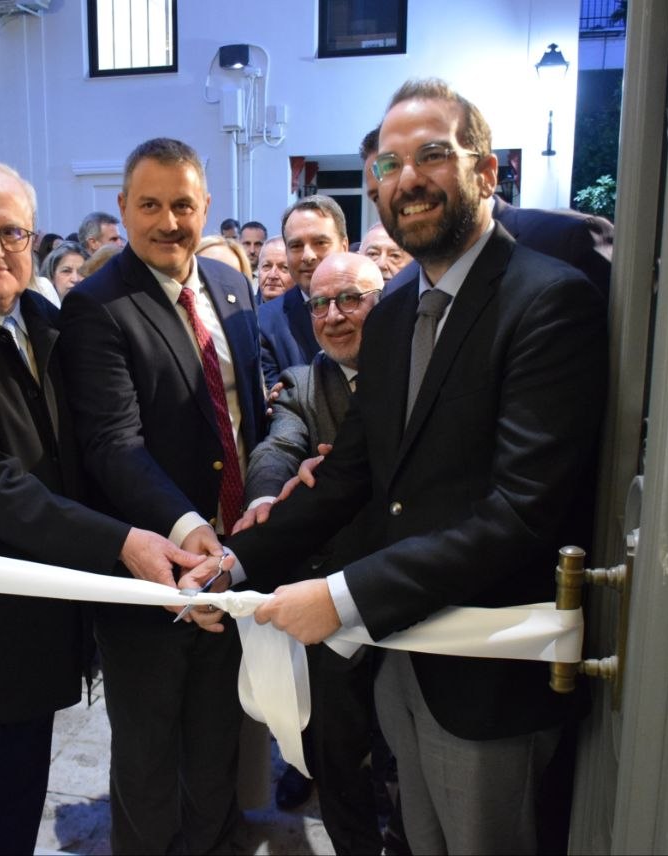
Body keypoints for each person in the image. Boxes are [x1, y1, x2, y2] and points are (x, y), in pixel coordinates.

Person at [190, 78, 609, 854]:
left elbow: (520, 513)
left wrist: (340, 598)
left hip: (488, 676)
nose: (407, 178)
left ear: (487, 171)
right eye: (388, 164)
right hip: (401, 661)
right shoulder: (394, 314)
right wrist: (235, 564)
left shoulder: (548, 302)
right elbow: (351, 473)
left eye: (432, 154)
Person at [0, 161, 201, 855]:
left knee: (15, 821)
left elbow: (99, 441)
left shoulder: (42, 319)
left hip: (37, 638)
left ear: (34, 239)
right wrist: (123, 542)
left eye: (12, 232)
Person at [59, 138, 266, 855]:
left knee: (218, 741)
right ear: (123, 208)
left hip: (235, 564)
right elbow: (113, 443)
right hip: (151, 570)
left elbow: (248, 416)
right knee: (148, 759)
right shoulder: (95, 306)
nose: (168, 221)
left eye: (183, 204)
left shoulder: (232, 287)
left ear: (205, 206)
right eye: (149, 205)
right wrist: (185, 527)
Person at [238, 251, 389, 854]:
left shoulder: (418, 373)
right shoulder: (302, 383)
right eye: (320, 304)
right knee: (338, 755)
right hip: (331, 599)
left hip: (412, 590)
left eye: (351, 299)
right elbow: (278, 447)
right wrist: (266, 496)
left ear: (385, 302)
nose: (334, 315)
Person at [258, 195, 350, 388]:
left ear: (344, 246)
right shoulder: (265, 322)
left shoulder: (373, 306)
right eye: (296, 246)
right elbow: (280, 398)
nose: (308, 256)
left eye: (320, 242)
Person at [255, 237, 294, 303]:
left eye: (284, 267)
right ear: (258, 269)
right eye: (266, 266)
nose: (272, 275)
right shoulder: (244, 308)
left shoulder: (310, 308)